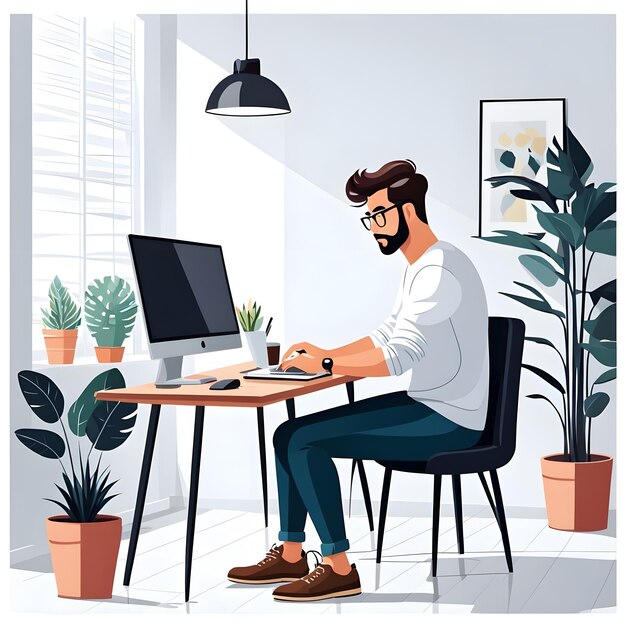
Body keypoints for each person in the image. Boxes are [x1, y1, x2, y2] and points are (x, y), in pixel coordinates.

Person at [227, 159, 489, 602]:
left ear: (408, 211)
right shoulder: (422, 264)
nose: (373, 227)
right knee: (287, 432)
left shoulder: (439, 270)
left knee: (304, 441)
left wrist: (327, 366)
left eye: (379, 215)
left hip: (451, 420)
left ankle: (338, 567)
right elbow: (387, 334)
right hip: (428, 405)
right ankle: (291, 552)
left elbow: (398, 356)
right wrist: (325, 354)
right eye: (368, 217)